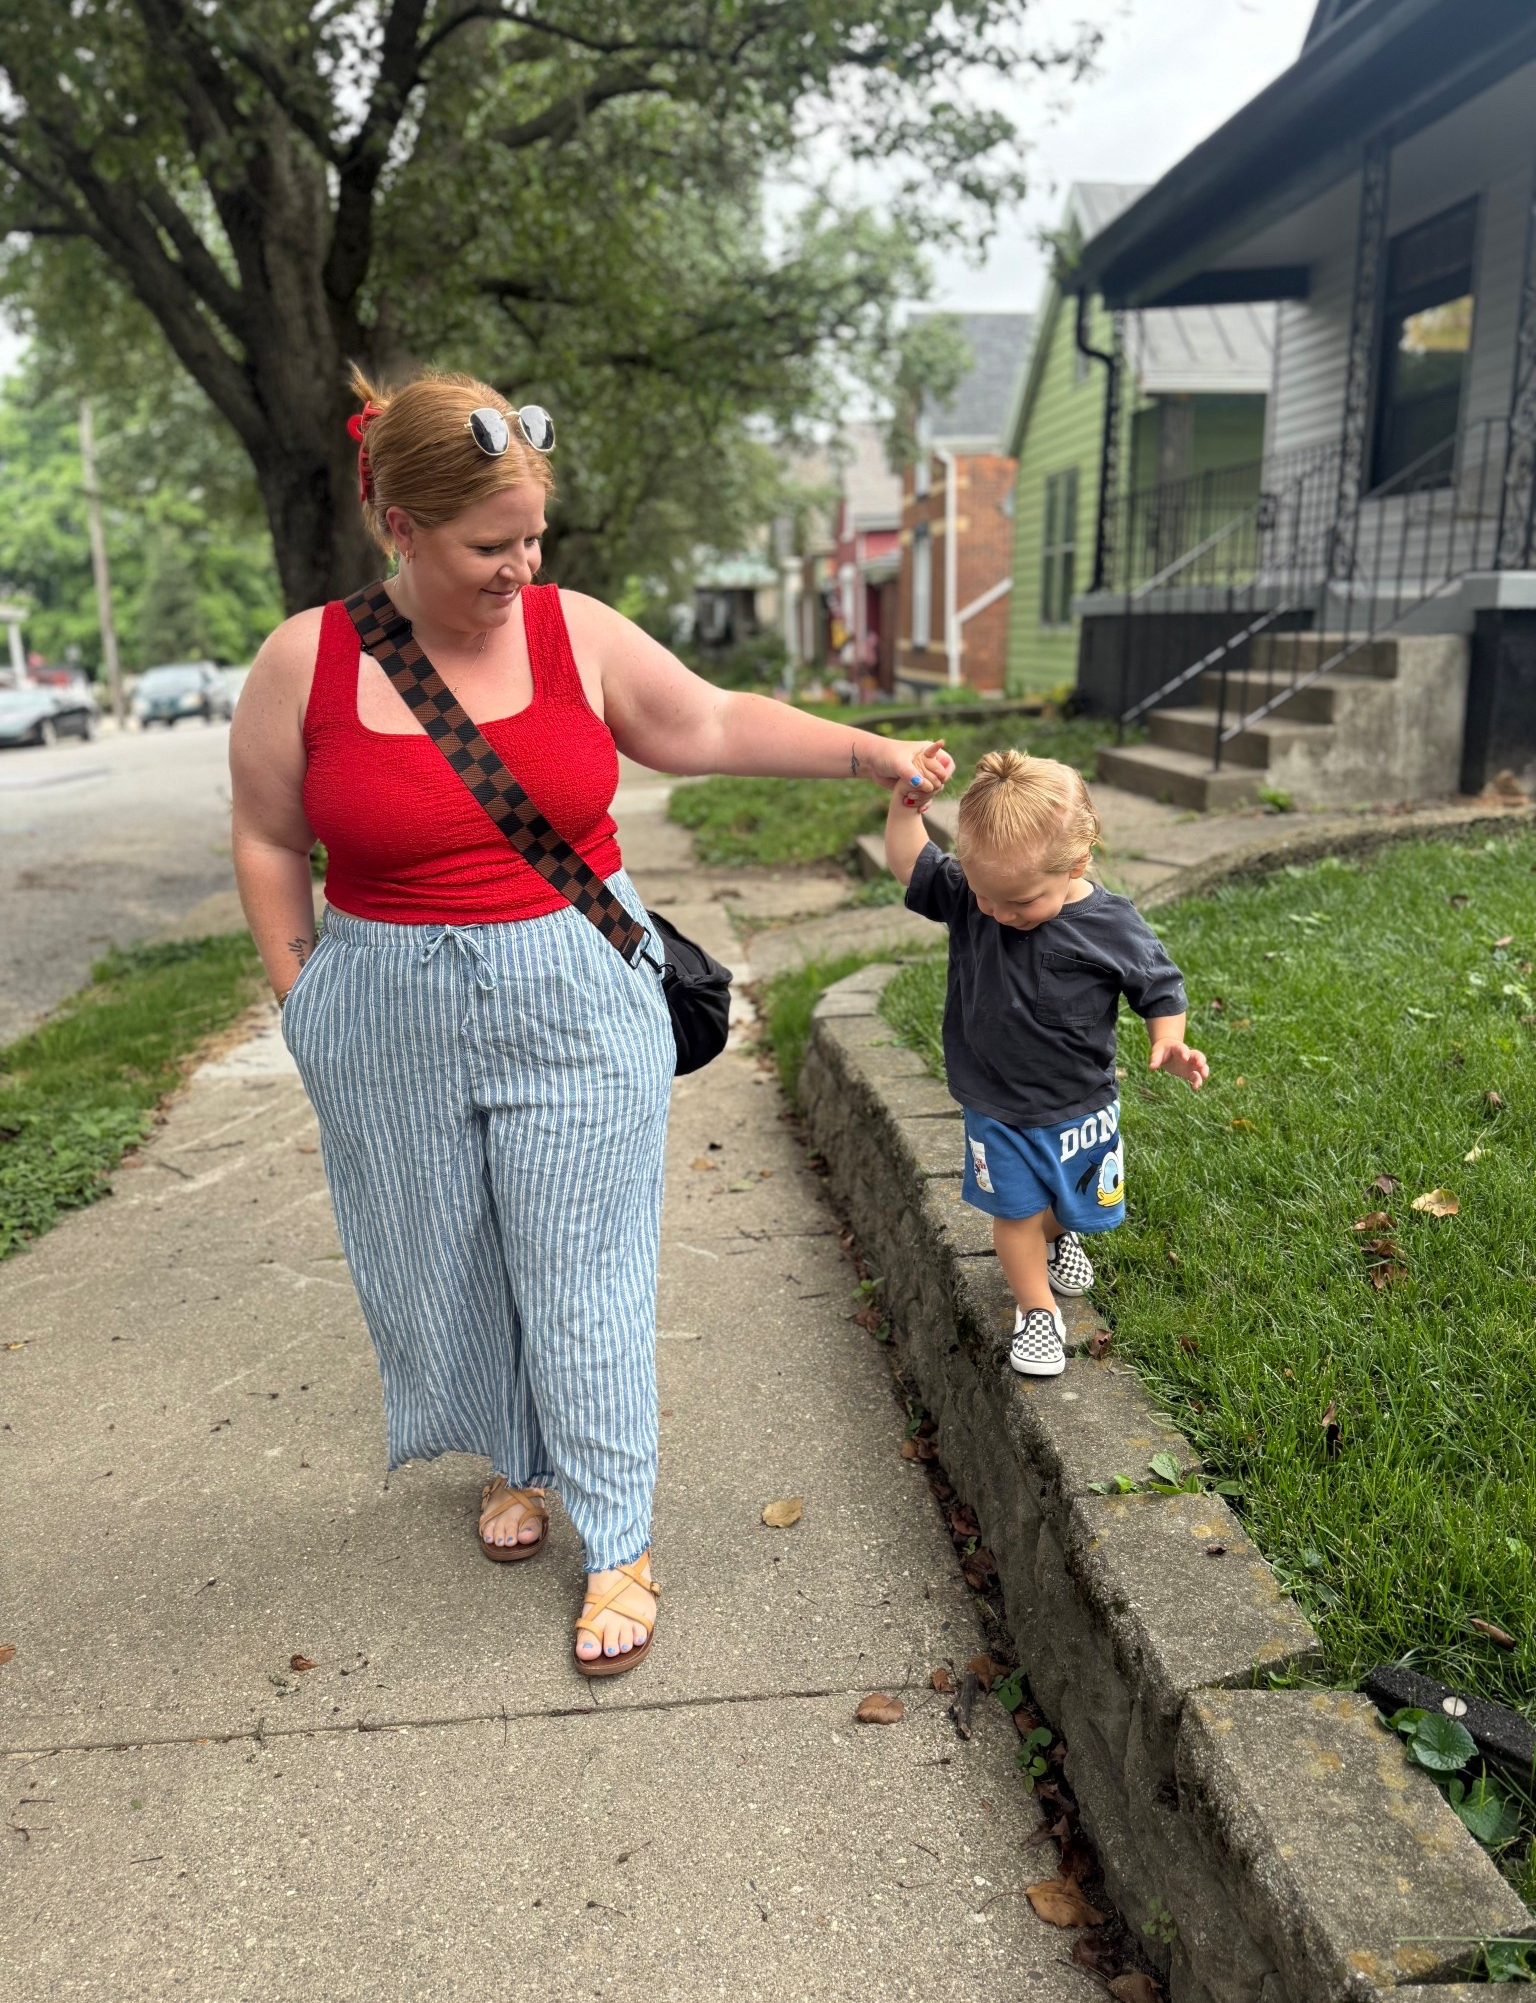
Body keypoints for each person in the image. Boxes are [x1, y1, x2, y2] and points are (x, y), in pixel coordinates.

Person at [230, 367, 952, 1675]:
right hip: (384, 1012)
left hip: (572, 991)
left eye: (533, 540)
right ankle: (518, 1460)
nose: (520, 567)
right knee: (448, 1261)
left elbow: (709, 720)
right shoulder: (307, 660)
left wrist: (869, 751)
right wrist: (303, 996)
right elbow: (270, 833)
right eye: (487, 545)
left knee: (586, 1276)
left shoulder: (575, 633)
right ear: (396, 518)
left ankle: (617, 1536)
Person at [885, 748, 1206, 1379]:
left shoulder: (1112, 925)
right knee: (1016, 1213)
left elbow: (1159, 986)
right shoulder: (977, 894)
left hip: (1080, 1101)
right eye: (985, 899)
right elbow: (910, 863)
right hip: (996, 1102)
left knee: (1078, 1203)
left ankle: (1062, 1234)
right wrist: (907, 805)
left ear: (1077, 863)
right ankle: (1036, 1312)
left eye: (1023, 903)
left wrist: (1169, 1038)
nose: (1001, 915)